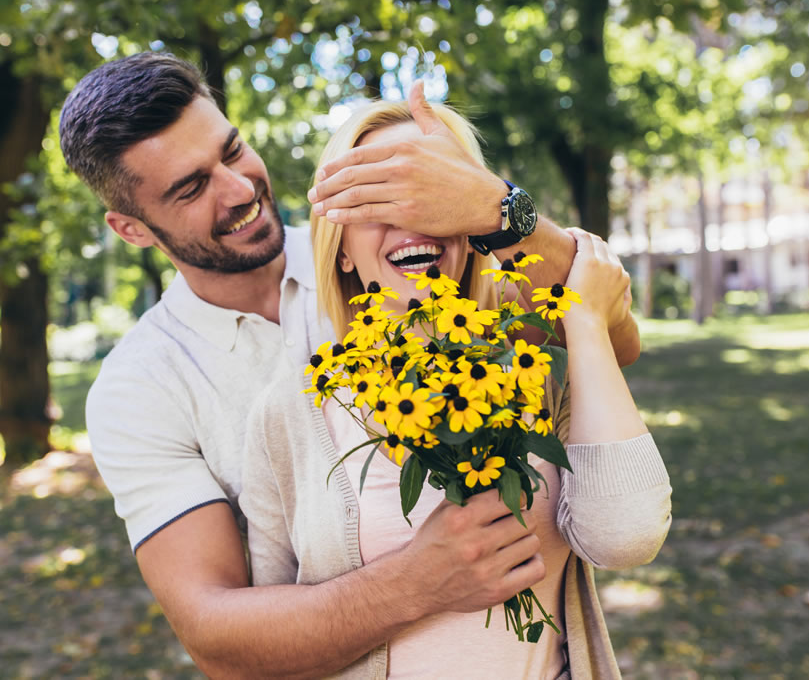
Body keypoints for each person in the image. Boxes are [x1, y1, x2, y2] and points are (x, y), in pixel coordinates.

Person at [59, 51, 642, 677]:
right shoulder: (138, 389)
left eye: (232, 151)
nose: (238, 189)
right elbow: (215, 636)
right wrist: (417, 582)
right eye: (191, 187)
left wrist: (501, 208)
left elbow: (605, 338)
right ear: (132, 229)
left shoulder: (386, 247)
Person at [240, 100, 672, 678]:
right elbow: (268, 646)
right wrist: (413, 583)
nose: (412, 216)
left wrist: (583, 320)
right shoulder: (289, 412)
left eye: (434, 190)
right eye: (379, 193)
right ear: (339, 244)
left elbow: (628, 536)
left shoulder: (531, 363)